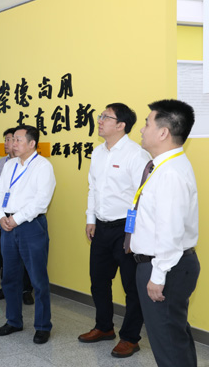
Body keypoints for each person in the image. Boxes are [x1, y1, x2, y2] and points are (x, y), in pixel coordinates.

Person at [131, 99, 199, 367]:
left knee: (168, 343)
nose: (142, 129)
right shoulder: (164, 165)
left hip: (165, 266)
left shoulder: (169, 173)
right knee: (174, 336)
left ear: (163, 133)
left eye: (147, 123)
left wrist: (158, 276)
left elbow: (170, 231)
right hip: (166, 263)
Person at [78, 103, 149, 358]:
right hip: (101, 226)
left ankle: (130, 338)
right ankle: (104, 327)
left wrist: (133, 233)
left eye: (106, 117)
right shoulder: (98, 152)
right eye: (100, 116)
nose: (99, 120)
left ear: (121, 125)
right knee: (98, 281)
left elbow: (143, 197)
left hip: (126, 229)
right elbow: (93, 188)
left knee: (131, 287)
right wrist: (91, 219)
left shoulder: (136, 155)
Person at [0, 125, 56, 344]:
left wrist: (16, 219)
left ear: (32, 143)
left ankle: (43, 326)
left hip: (30, 225)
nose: (13, 143)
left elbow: (41, 201)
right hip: (7, 225)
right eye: (12, 140)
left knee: (38, 279)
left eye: (18, 140)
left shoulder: (43, 166)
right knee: (9, 277)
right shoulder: (9, 165)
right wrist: (1, 216)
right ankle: (13, 321)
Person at [0, 128, 34, 305]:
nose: (10, 143)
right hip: (4, 216)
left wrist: (15, 219)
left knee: (26, 258)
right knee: (7, 258)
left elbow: (37, 199)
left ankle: (26, 290)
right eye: (8, 140)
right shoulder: (3, 163)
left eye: (14, 139)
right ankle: (6, 289)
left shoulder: (36, 165)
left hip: (24, 219)